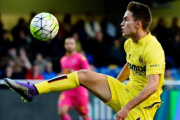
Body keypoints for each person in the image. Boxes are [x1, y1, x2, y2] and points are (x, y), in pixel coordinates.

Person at [4, 1, 165, 120]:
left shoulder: (153, 48)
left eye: (125, 19)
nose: (121, 23)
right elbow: (130, 64)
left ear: (138, 24)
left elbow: (152, 87)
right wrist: (112, 87)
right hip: (126, 92)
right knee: (82, 75)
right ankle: (32, 90)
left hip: (141, 107)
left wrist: (127, 107)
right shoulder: (130, 43)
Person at [57, 38, 91, 120]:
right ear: (64, 45)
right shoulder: (63, 60)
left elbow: (88, 72)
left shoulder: (81, 58)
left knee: (84, 115)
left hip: (79, 90)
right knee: (61, 112)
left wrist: (75, 72)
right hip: (67, 90)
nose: (69, 45)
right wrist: (60, 75)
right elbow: (64, 72)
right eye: (67, 43)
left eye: (71, 44)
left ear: (75, 45)